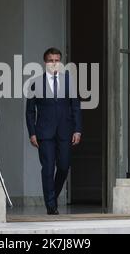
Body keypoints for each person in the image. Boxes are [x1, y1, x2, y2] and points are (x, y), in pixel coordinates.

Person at [26, 48, 82, 215]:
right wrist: (32, 132)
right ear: (45, 62)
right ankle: (51, 205)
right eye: (51, 60)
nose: (54, 63)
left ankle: (53, 196)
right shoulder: (36, 83)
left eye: (57, 60)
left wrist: (78, 129)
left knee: (64, 166)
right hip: (44, 133)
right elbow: (30, 111)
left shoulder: (69, 81)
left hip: (65, 131)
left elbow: (76, 107)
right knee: (48, 168)